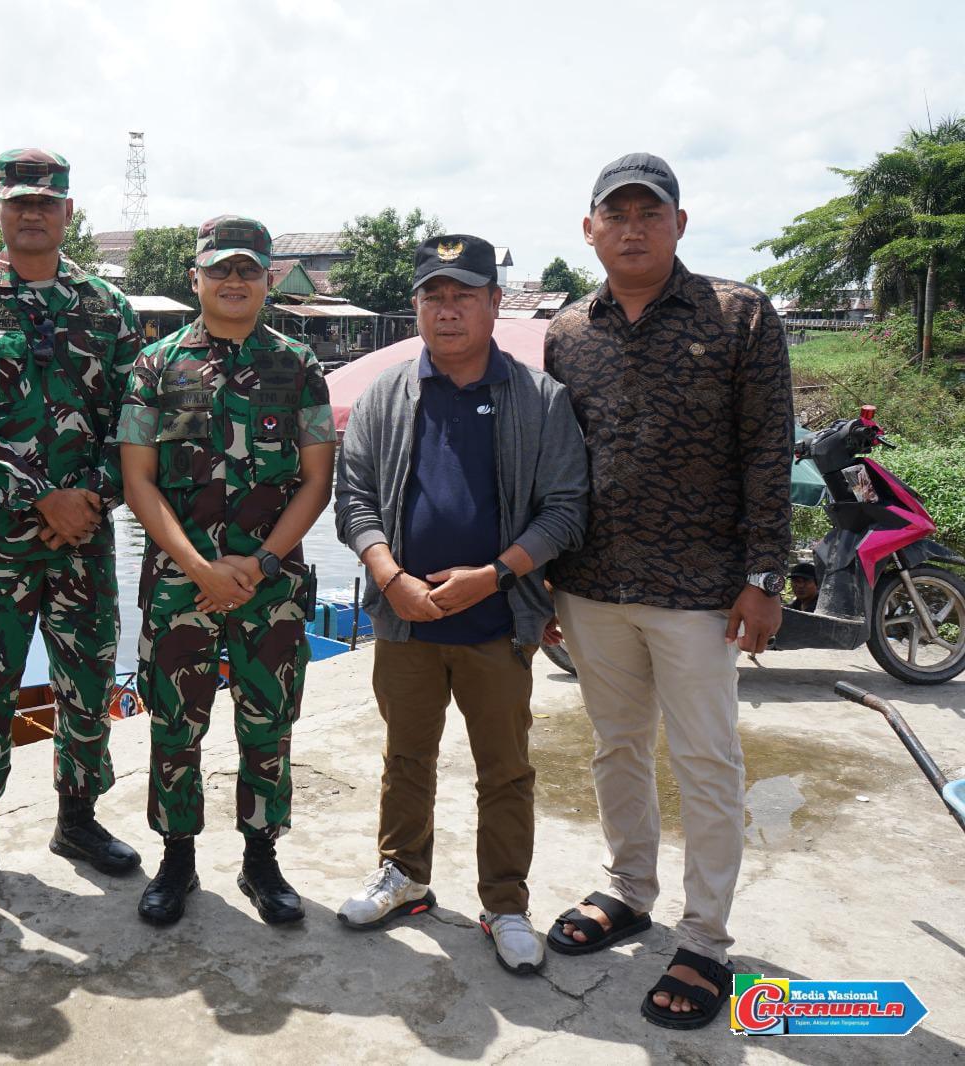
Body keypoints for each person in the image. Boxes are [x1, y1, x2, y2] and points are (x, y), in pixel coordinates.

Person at [543, 153, 792, 1029]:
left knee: (706, 761)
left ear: (679, 224)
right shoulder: (567, 331)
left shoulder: (739, 315)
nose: (633, 228)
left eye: (650, 213)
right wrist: (545, 582)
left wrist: (764, 578)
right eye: (616, 214)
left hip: (700, 589)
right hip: (592, 583)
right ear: (590, 230)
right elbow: (555, 462)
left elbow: (769, 450)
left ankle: (706, 937)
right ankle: (629, 889)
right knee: (616, 747)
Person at [333, 234, 589, 973]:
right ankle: (404, 874)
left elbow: (567, 509)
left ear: (494, 303)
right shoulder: (386, 394)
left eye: (464, 296)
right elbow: (354, 500)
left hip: (498, 622)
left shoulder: (539, 399)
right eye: (434, 296)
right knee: (405, 757)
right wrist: (391, 579)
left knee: (504, 769)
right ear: (417, 306)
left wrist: (495, 575)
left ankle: (505, 902)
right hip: (405, 620)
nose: (447, 311)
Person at [0, 149, 142, 904]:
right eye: (18, 201)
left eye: (46, 203)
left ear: (67, 213)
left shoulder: (106, 308)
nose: (31, 213)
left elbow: (135, 423)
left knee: (86, 681)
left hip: (84, 539)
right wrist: (42, 499)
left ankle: (78, 820)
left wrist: (91, 500)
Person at [119, 215, 337, 926]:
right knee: (174, 725)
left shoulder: (299, 366)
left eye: (247, 268)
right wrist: (197, 568)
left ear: (268, 279)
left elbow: (317, 480)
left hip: (271, 586)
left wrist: (263, 561)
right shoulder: (155, 365)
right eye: (220, 268)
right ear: (196, 279)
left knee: (268, 721)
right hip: (180, 582)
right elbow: (138, 480)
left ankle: (260, 858)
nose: (234, 280)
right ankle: (176, 858)